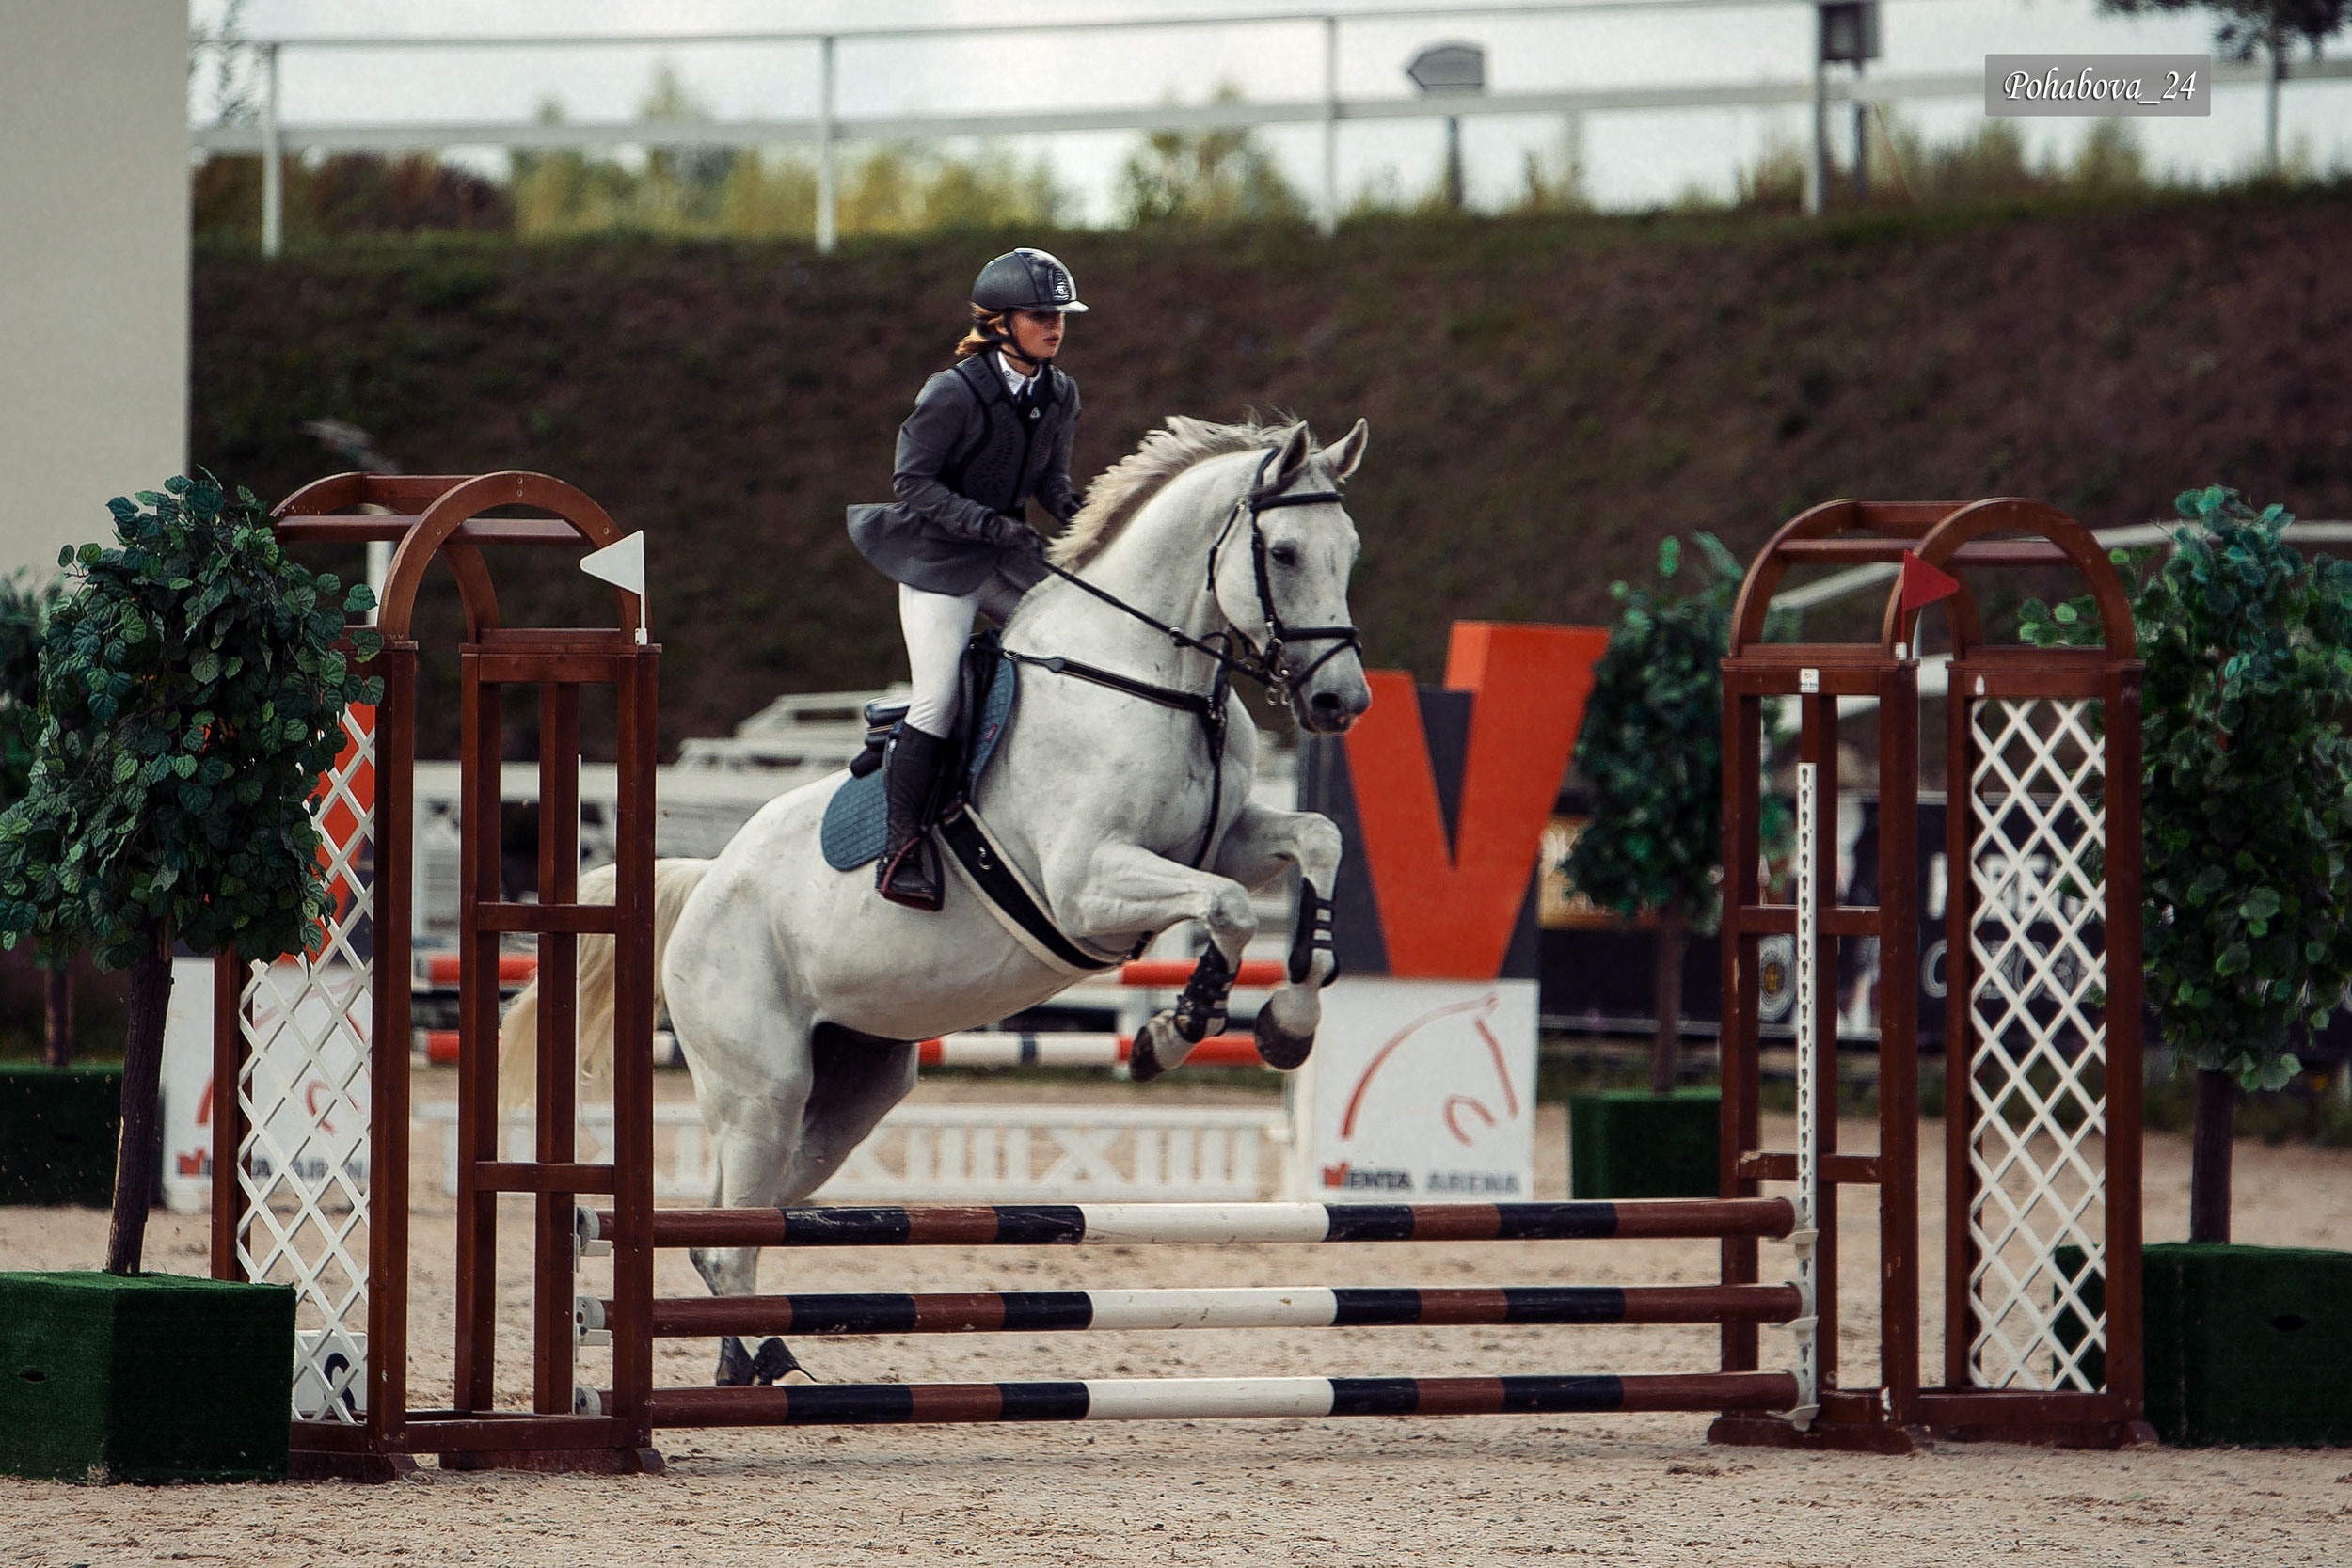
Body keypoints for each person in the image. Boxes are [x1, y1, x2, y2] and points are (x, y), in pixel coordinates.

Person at [846, 247, 1088, 910]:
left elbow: (1051, 481)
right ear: (1001, 323)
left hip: (1004, 556)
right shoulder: (951, 391)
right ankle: (901, 847)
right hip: (940, 560)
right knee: (937, 699)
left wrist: (1086, 516)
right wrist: (985, 523)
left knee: (1077, 651)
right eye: (1040, 315)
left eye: (1060, 315)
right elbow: (912, 482)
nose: (1055, 325)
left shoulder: (1060, 392)